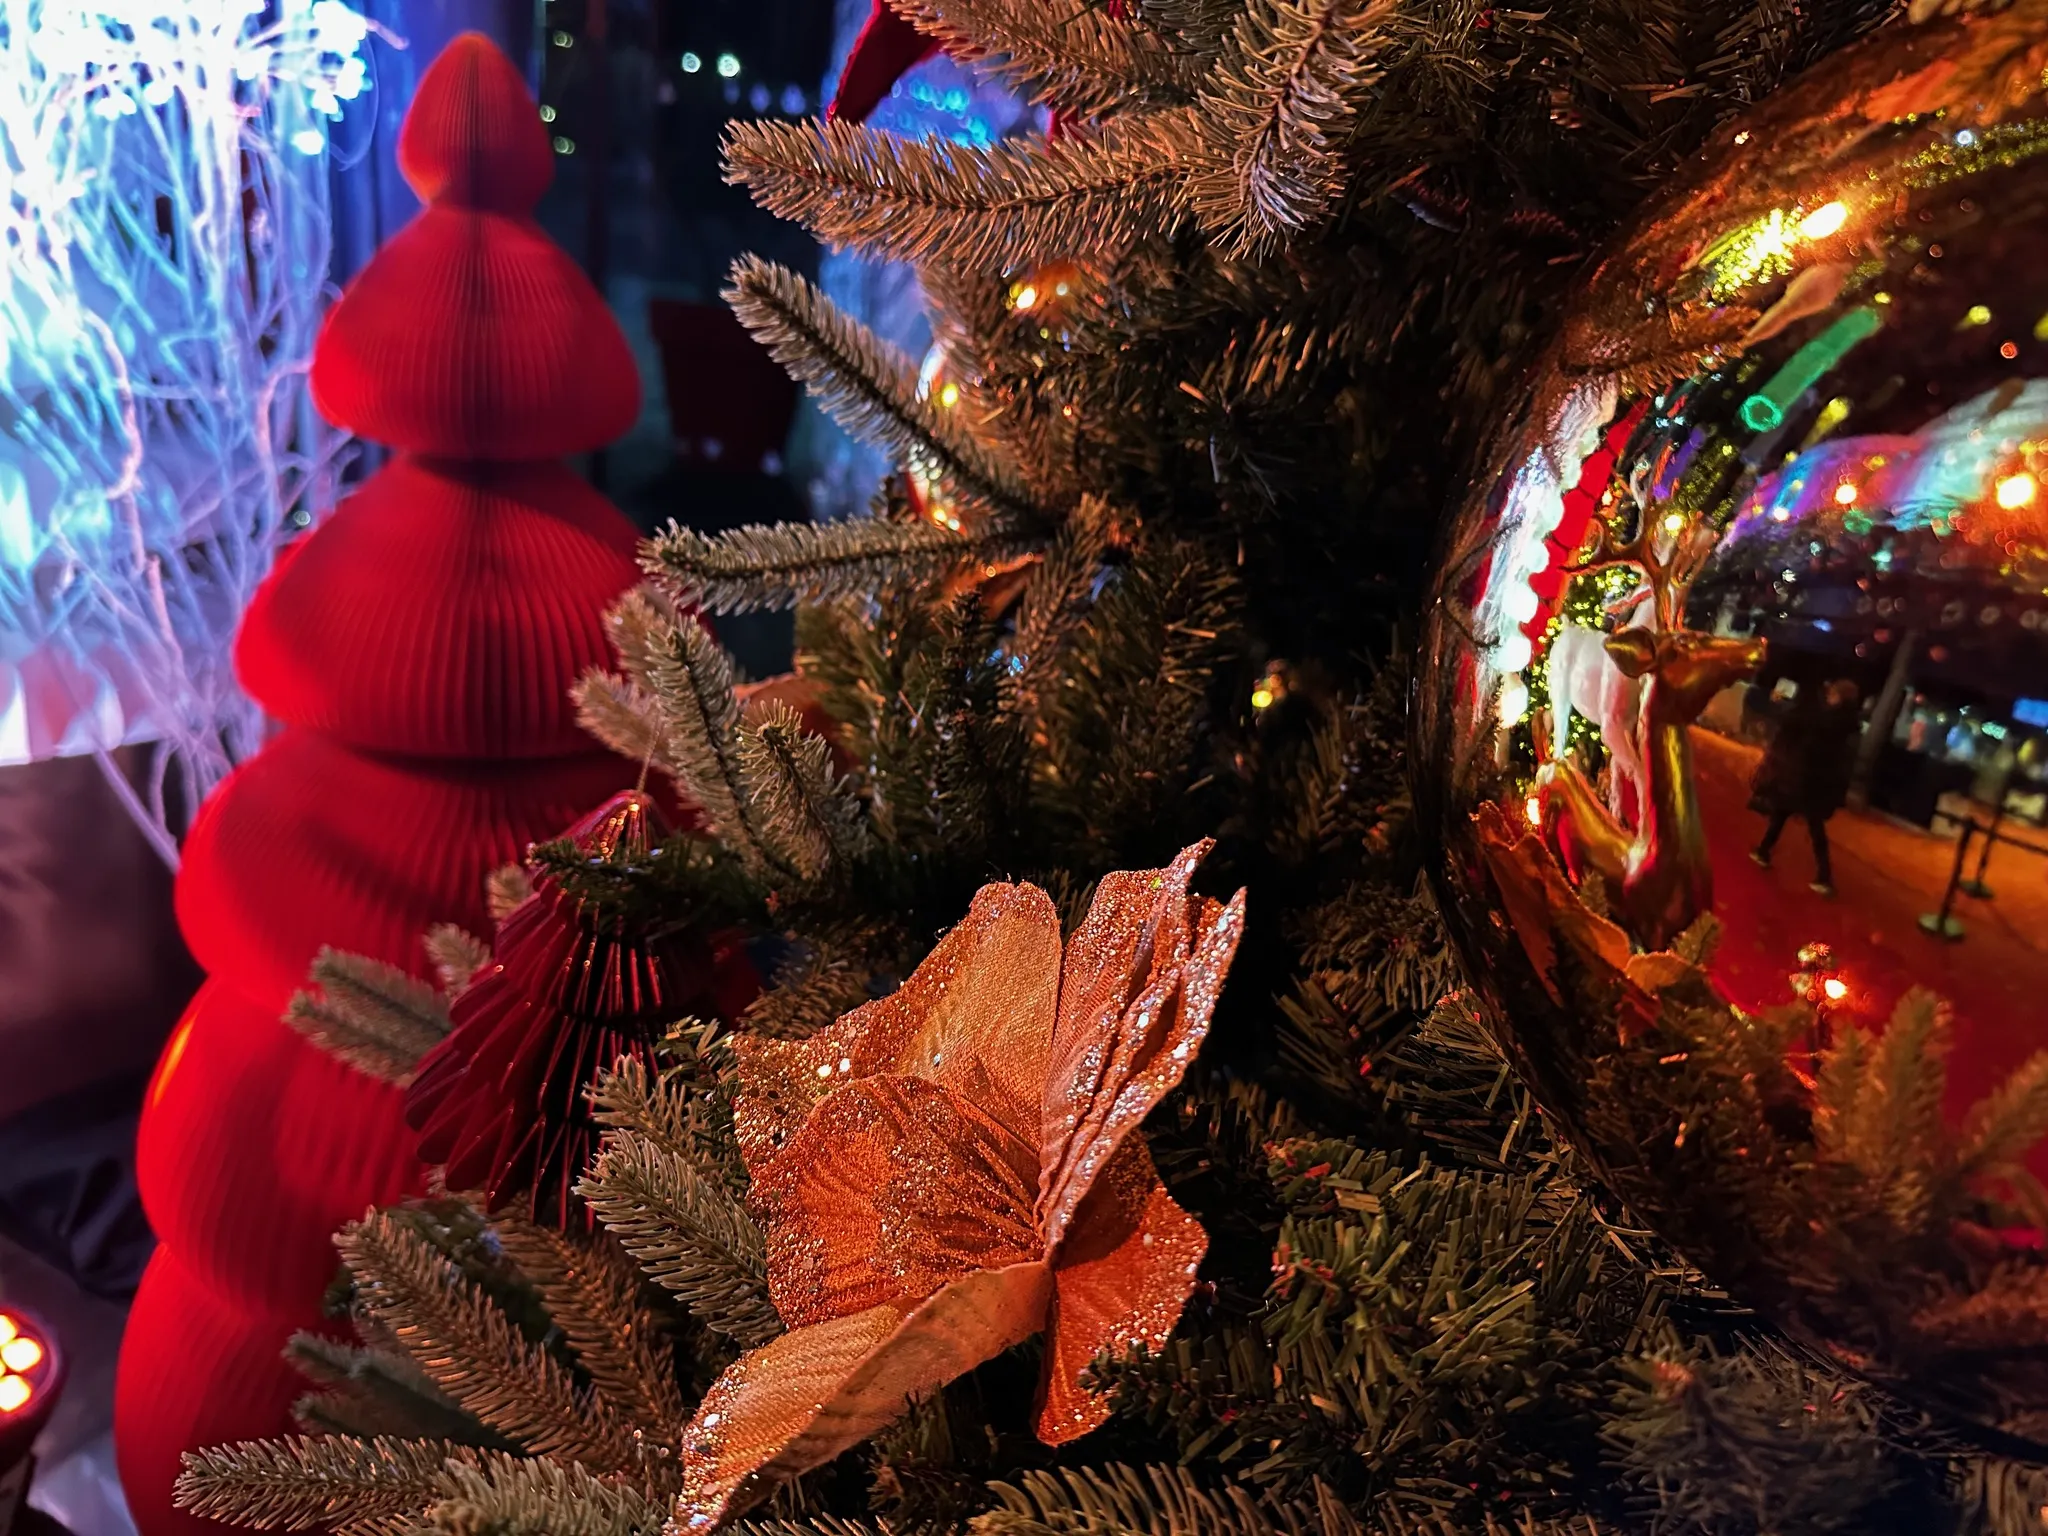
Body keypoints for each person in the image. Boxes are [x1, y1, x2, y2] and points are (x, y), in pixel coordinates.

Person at [1749, 678, 1862, 896]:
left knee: (1812, 825)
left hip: (1812, 779)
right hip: (1814, 780)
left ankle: (1824, 876)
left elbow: (1813, 742)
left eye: (1833, 695)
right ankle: (1764, 850)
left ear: (1840, 698)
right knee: (1785, 812)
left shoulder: (1833, 721)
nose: (1829, 698)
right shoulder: (1845, 722)